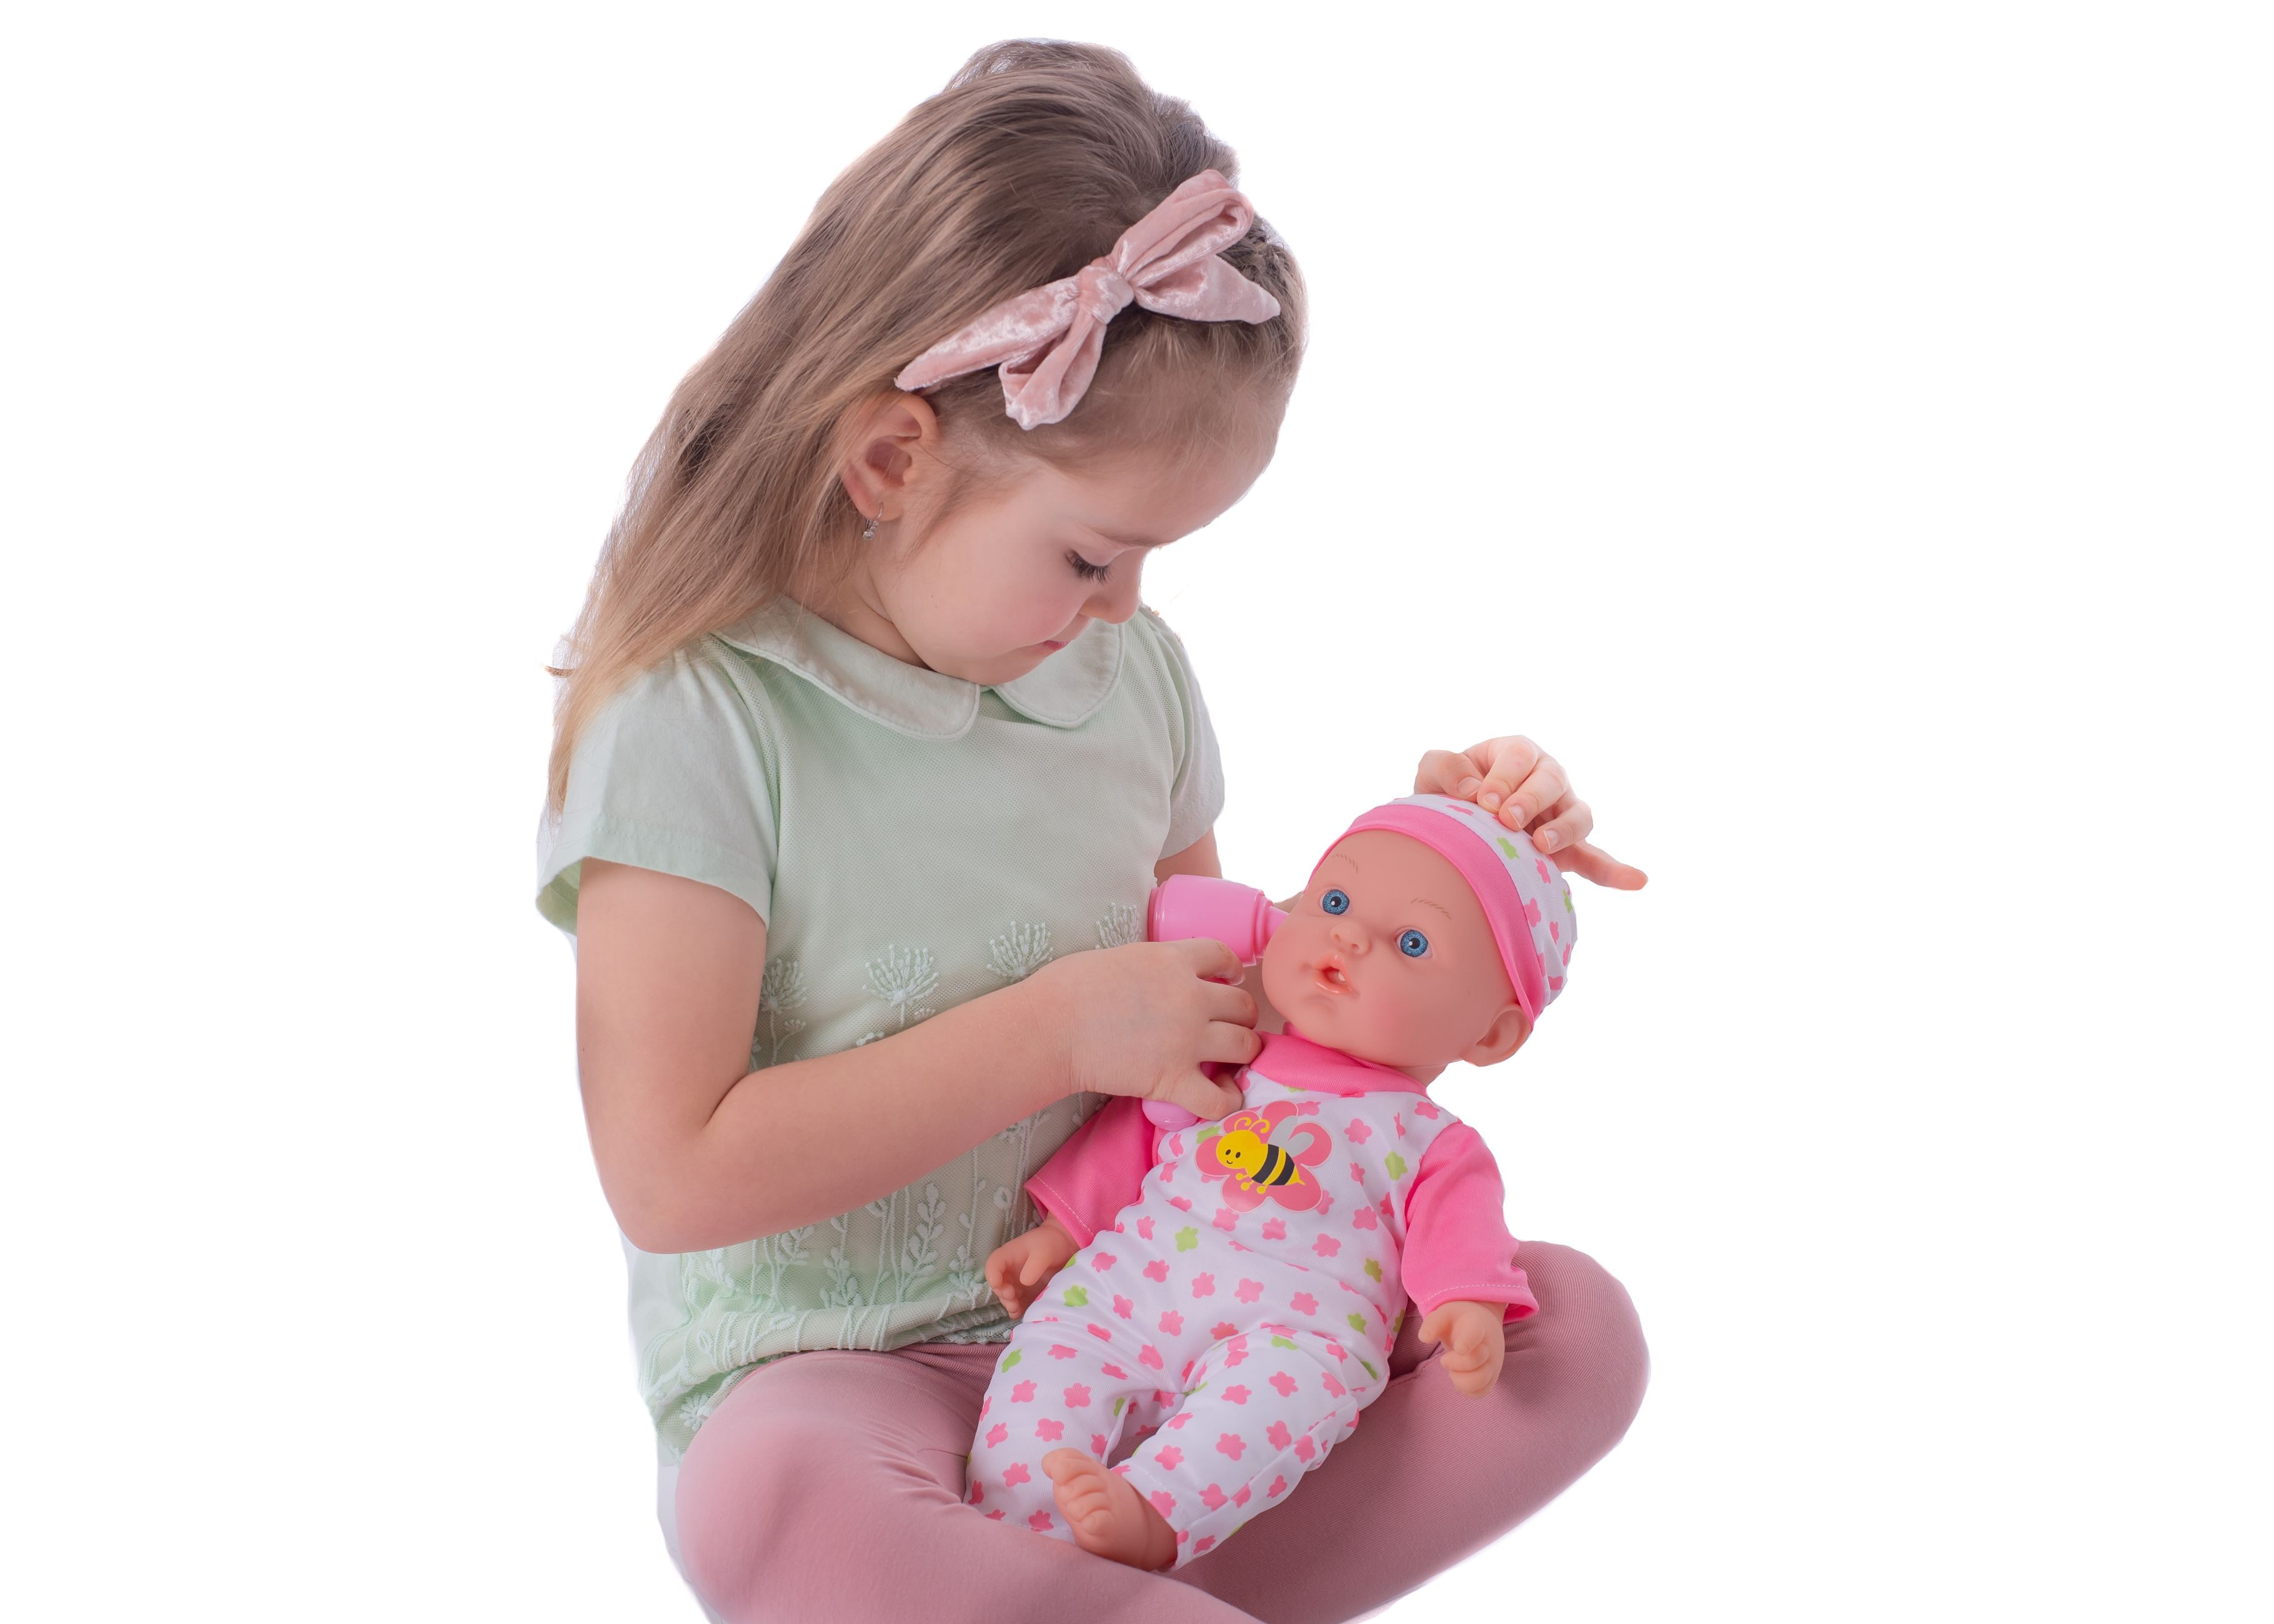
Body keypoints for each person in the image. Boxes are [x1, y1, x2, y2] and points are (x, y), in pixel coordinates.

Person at [537, 39, 1649, 1624]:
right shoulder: (698, 719)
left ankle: (1097, 1571)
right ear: (891, 460)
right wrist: (1056, 1032)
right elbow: (670, 1174)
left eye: (1151, 562)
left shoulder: (1127, 681)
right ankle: (1108, 1579)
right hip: (840, 1383)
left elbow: (1242, 1032)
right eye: (1088, 556)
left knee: (1570, 1334)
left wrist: (1453, 853)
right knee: (770, 1486)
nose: (1124, 606)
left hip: (1168, 1320)